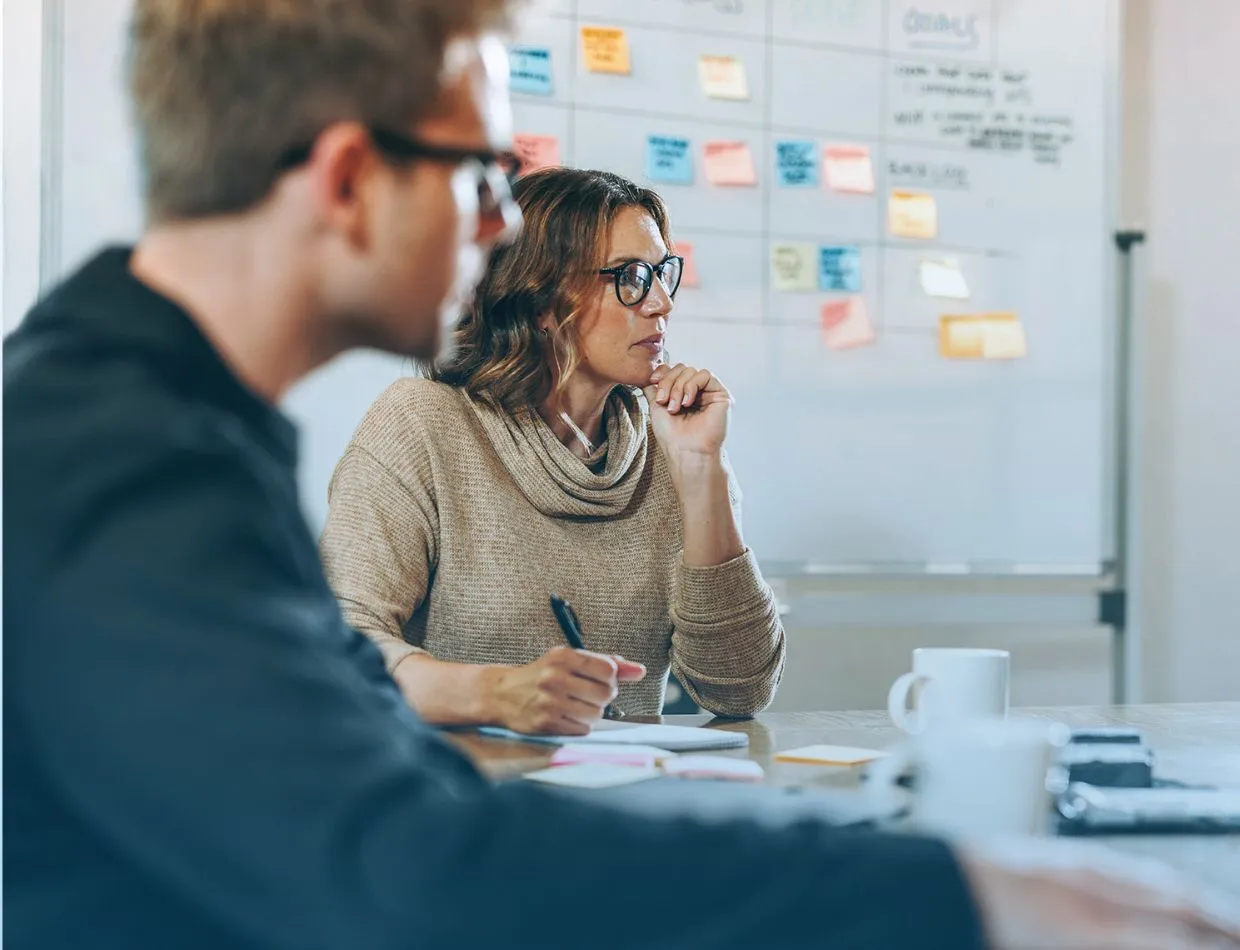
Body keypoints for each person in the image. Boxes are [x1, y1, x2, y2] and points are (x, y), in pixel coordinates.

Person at [3, 1, 1238, 948]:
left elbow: (377, 782)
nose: (496, 229)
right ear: (345, 179)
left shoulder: (148, 413)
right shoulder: (119, 467)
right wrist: (953, 891)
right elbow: (407, 865)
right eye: (479, 176)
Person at [319, 165, 784, 734]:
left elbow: (740, 689)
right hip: (458, 796)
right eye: (632, 277)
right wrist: (494, 693)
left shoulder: (675, 441)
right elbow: (340, 650)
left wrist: (701, 470)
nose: (662, 303)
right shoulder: (424, 424)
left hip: (619, 796)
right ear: (541, 301)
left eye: (663, 273)